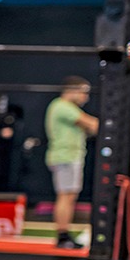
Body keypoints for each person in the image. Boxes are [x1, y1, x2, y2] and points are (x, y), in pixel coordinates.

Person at [44, 76, 98, 248]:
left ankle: (64, 234)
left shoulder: (66, 107)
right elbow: (92, 124)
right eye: (83, 92)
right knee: (65, 196)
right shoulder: (63, 106)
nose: (85, 97)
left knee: (70, 196)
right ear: (72, 90)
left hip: (70, 156)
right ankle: (62, 235)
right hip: (65, 157)